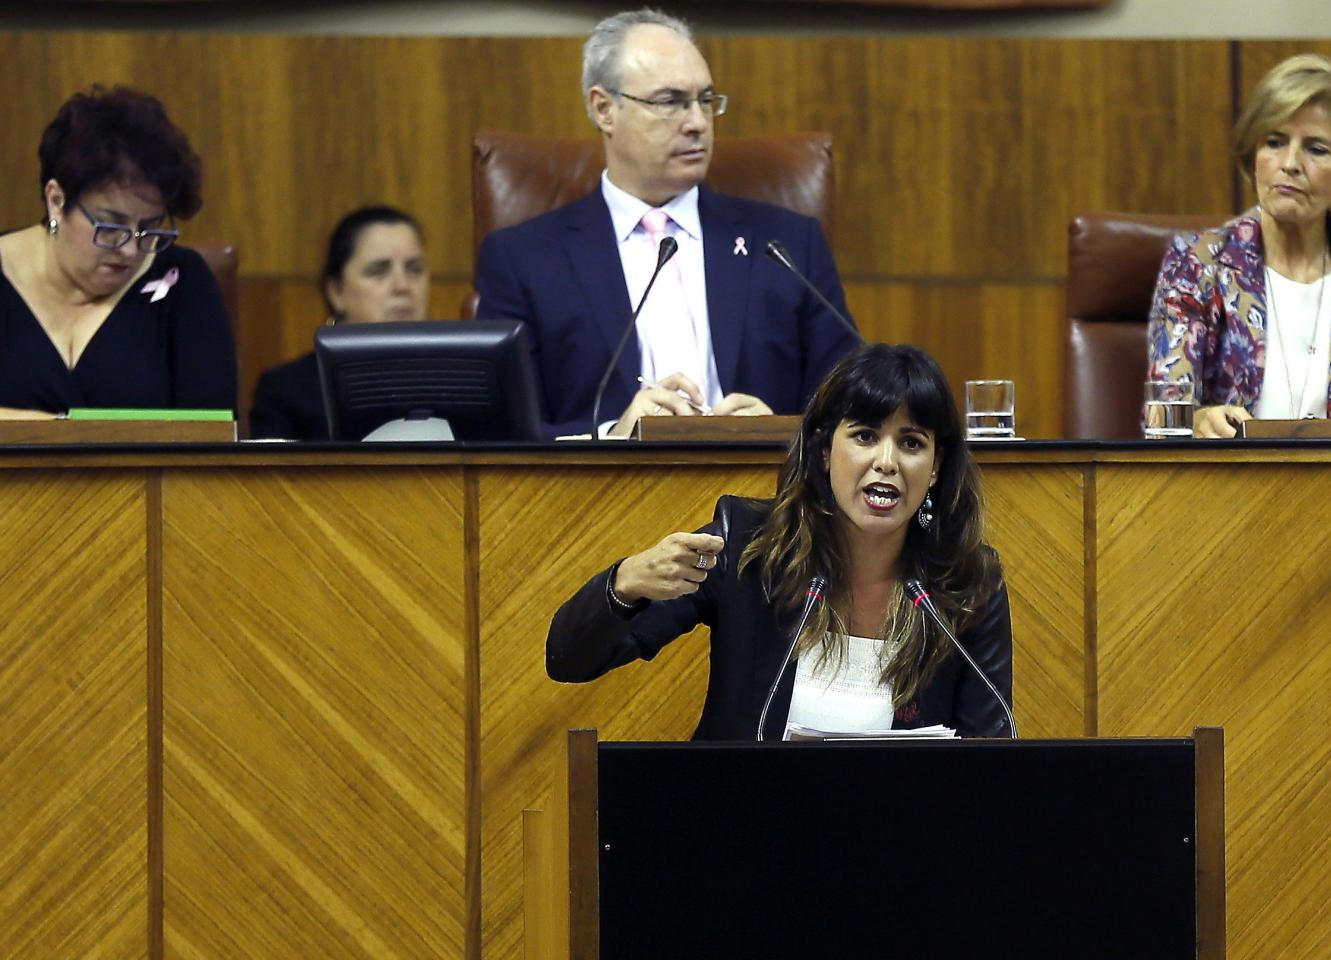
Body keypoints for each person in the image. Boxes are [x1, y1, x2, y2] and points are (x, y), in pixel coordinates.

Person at [545, 343, 1013, 740]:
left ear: (934, 467)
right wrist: (624, 585)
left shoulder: (967, 584)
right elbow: (568, 659)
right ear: (826, 451)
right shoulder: (749, 548)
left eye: (911, 443)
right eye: (865, 436)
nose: (886, 461)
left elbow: (991, 756)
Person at [474, 9, 861, 438]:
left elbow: (852, 407)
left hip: (767, 492)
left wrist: (782, 432)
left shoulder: (787, 244)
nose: (698, 123)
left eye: (706, 100)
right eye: (670, 102)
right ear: (604, 109)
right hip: (598, 498)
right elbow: (501, 435)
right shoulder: (524, 259)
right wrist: (611, 437)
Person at [1148, 54, 1331, 437]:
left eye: (1316, 149)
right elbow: (1162, 418)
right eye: (1274, 142)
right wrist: (1196, 420)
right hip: (1228, 487)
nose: (1290, 163)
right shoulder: (1197, 264)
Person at [0, 86, 234, 419]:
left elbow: (213, 440)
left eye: (149, 228)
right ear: (56, 201)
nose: (130, 249)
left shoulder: (182, 284)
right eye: (111, 227)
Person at [249, 206, 429, 440]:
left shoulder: (458, 380)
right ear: (336, 291)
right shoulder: (287, 390)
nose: (402, 286)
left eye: (414, 269)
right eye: (378, 271)